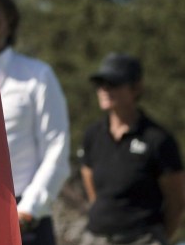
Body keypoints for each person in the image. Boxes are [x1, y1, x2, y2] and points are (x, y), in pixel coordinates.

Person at [0, 0, 70, 245]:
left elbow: (57, 149)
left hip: (26, 218)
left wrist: (29, 209)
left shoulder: (37, 76)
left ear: (9, 22)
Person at [79, 52, 185, 245]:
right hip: (96, 237)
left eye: (113, 84)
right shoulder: (93, 135)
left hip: (142, 238)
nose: (105, 90)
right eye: (101, 84)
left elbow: (176, 202)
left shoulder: (158, 140)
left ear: (136, 88)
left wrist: (158, 238)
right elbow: (92, 188)